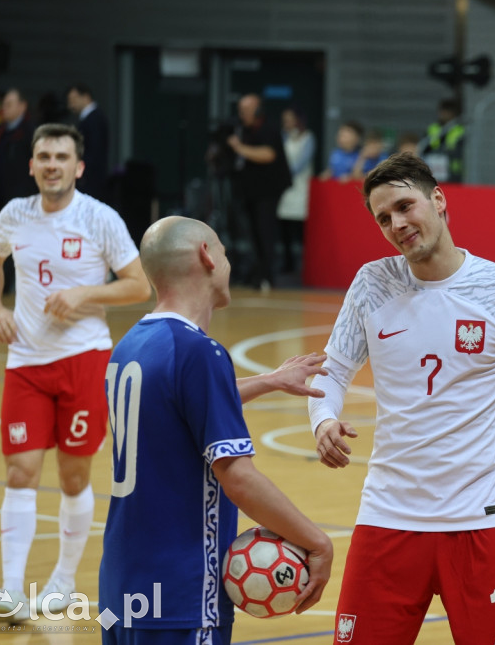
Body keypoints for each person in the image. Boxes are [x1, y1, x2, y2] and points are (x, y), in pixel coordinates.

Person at [309, 152, 495, 644]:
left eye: (405, 206)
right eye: (384, 218)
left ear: (438, 200)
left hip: (482, 522)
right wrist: (323, 418)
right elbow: (330, 372)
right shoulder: (372, 284)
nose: (397, 224)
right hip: (386, 519)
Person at [100, 216, 334, 645]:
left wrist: (268, 381)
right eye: (224, 252)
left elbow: (177, 401)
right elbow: (238, 478)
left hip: (123, 586)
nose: (227, 262)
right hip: (182, 592)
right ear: (206, 255)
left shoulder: (131, 345)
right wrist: (318, 543)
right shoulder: (198, 352)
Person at [0, 123, 152, 621]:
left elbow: (138, 285)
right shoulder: (14, 214)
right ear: (32, 165)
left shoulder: (100, 219)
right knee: (19, 471)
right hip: (27, 362)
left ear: (78, 167)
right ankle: (11, 590)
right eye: (43, 156)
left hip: (84, 359)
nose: (51, 164)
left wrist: (84, 294)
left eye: (61, 156)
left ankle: (61, 581)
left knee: (74, 478)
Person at [226, 93, 291, 292]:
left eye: (246, 110)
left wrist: (239, 148)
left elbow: (268, 154)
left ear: (257, 109)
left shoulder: (269, 128)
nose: (242, 114)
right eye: (240, 110)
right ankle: (257, 273)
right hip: (249, 192)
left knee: (265, 232)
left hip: (268, 191)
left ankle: (267, 276)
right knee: (253, 234)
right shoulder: (243, 129)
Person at [0, 88, 37, 216]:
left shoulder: (32, 133)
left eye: (9, 104)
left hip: (23, 199)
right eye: (3, 104)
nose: (4, 108)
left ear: (22, 106)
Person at [277, 106, 316, 279]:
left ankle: (305, 265)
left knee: (301, 229)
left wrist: (285, 173)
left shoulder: (308, 137)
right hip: (284, 188)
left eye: (290, 118)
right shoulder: (282, 137)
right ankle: (288, 262)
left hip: (300, 187)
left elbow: (301, 163)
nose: (287, 122)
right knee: (284, 226)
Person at [66, 84, 111, 205]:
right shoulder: (90, 118)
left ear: (85, 97)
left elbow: (94, 152)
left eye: (73, 100)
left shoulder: (94, 118)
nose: (70, 105)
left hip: (91, 181)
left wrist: (82, 174)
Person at [420, 98, 465, 183]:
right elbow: (425, 147)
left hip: (453, 170)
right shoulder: (432, 128)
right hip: (434, 168)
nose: (444, 114)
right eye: (442, 112)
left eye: (447, 112)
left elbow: (460, 150)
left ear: (453, 114)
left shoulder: (460, 130)